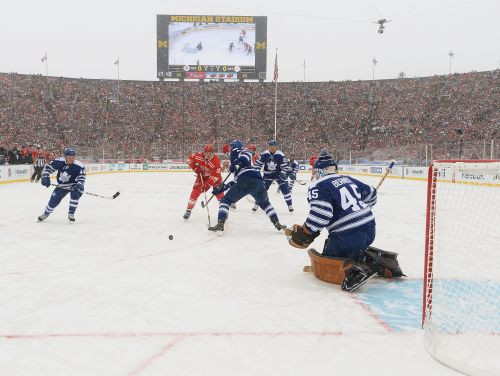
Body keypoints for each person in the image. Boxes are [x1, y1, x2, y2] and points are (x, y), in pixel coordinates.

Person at [285, 150, 403, 291]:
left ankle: (354, 271)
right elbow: (371, 194)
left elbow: (322, 214)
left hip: (347, 235)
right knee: (347, 246)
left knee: (331, 256)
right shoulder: (347, 179)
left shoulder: (318, 186)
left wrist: (307, 232)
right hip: (370, 227)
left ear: (319, 170)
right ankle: (381, 261)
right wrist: (361, 209)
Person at [208, 140, 286, 232]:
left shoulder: (239, 152)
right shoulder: (239, 159)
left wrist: (237, 163)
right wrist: (224, 187)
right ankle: (277, 223)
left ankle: (221, 223)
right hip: (258, 182)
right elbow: (236, 181)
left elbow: (246, 155)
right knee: (265, 204)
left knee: (225, 200)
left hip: (245, 180)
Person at [37, 148, 86, 222]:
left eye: (73, 158)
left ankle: (71, 213)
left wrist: (80, 184)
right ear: (65, 157)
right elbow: (48, 168)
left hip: (74, 185)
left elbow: (82, 177)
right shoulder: (58, 162)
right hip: (62, 185)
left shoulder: (79, 165)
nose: (71, 159)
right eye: (69, 157)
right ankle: (46, 213)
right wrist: (45, 177)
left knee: (75, 196)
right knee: (53, 200)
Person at [183, 144, 223, 220]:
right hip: (202, 177)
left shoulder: (216, 161)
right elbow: (189, 160)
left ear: (213, 152)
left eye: (210, 152)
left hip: (215, 178)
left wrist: (207, 185)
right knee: (195, 191)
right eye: (206, 152)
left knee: (219, 194)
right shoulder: (198, 156)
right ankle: (188, 210)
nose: (208, 154)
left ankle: (223, 212)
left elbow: (215, 176)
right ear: (203, 152)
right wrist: (196, 168)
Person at [253, 140, 293, 212]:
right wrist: (256, 173)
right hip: (267, 175)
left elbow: (284, 166)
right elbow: (258, 165)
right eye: (271, 146)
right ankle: (256, 204)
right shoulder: (264, 154)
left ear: (276, 147)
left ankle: (290, 205)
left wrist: (283, 174)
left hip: (278, 175)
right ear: (268, 146)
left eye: (274, 146)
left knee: (285, 189)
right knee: (261, 190)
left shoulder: (280, 154)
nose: (272, 147)